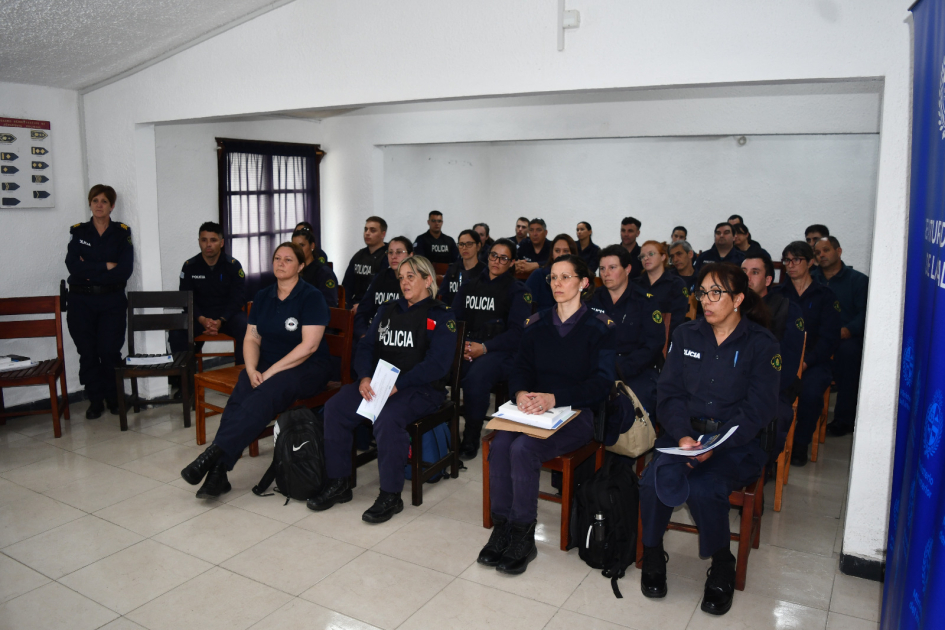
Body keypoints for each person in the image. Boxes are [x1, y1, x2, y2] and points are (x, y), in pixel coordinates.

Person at [639, 262, 780, 616]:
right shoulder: (687, 335)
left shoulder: (761, 344)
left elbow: (758, 410)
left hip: (736, 440)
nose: (706, 300)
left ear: (737, 300)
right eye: (702, 292)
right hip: (685, 434)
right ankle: (653, 551)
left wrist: (714, 444)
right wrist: (684, 435)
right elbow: (668, 394)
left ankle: (721, 562)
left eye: (716, 293)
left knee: (705, 486)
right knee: (653, 479)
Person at [477, 254, 615, 575]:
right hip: (533, 410)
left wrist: (555, 397)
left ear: (583, 283)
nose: (557, 284)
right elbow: (520, 369)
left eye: (566, 277)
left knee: (524, 449)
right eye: (553, 277)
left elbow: (601, 384)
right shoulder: (537, 323)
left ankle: (524, 535)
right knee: (500, 444)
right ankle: (503, 527)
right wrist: (521, 393)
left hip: (576, 414)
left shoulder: (600, 328)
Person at [309, 256, 458, 523]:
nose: (404, 282)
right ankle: (339, 482)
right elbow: (366, 347)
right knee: (336, 408)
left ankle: (390, 495)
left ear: (427, 280)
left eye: (411, 276)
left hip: (421, 389)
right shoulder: (387, 310)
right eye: (401, 277)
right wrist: (365, 377)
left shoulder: (441, 315)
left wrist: (399, 384)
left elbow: (437, 365)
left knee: (388, 418)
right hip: (379, 383)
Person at [180, 242, 332, 498]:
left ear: (301, 266)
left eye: (288, 260)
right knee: (243, 389)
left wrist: (269, 372)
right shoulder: (263, 296)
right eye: (277, 258)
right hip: (268, 364)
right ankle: (218, 471)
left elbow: (309, 346)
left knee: (265, 392)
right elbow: (251, 338)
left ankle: (215, 457)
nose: (281, 263)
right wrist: (251, 369)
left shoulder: (311, 296)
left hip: (308, 367)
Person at [453, 239, 532, 460]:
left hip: (501, 352)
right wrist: (463, 346)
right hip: (469, 346)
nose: (497, 261)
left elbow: (518, 333)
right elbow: (455, 320)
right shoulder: (469, 285)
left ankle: (470, 437)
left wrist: (485, 348)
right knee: (439, 366)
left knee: (475, 378)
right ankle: (442, 434)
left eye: (504, 258)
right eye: (493, 255)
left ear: (512, 262)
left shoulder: (519, 291)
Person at [65, 185, 134, 419]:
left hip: (111, 300)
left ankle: (114, 397)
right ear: (90, 203)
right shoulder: (79, 233)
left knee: (109, 350)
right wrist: (105, 265)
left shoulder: (122, 233)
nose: (99, 204)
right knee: (88, 351)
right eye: (95, 200)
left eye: (104, 201)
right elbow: (73, 266)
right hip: (80, 301)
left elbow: (124, 270)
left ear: (112, 206)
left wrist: (89, 269)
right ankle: (95, 400)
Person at [773, 242, 840, 466]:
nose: (790, 266)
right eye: (786, 261)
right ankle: (772, 445)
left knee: (811, 394)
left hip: (813, 361)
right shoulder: (778, 294)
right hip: (782, 359)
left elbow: (829, 339)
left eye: (796, 260)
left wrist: (805, 362)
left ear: (810, 262)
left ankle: (800, 444)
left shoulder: (825, 296)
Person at [169, 222, 248, 395]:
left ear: (221, 242)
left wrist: (221, 320)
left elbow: (238, 298)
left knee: (246, 328)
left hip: (227, 316)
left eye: (213, 240)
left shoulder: (233, 266)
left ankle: (241, 381)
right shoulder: (190, 266)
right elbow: (186, 298)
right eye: (204, 240)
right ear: (199, 242)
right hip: (199, 315)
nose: (208, 244)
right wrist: (201, 319)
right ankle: (185, 383)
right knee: (177, 332)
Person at [589, 245, 665, 413]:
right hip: (597, 367)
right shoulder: (592, 300)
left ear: (628, 269)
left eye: (612, 267)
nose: (606, 273)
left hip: (634, 369)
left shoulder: (645, 301)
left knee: (635, 403)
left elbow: (653, 345)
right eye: (602, 268)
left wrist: (620, 369)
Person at [742, 253, 805, 455]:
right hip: (730, 382)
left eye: (755, 272)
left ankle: (758, 471)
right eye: (743, 272)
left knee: (774, 418)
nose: (747, 277)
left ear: (768, 280)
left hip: (772, 385)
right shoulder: (727, 305)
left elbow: (789, 359)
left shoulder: (786, 308)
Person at [811, 237, 869, 437]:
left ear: (839, 251)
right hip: (817, 336)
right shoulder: (812, 278)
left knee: (850, 354)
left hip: (845, 338)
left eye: (826, 250)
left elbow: (865, 313)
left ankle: (844, 420)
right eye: (818, 252)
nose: (822, 255)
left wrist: (848, 330)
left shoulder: (858, 280)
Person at [353, 237, 413, 339]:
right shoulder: (381, 277)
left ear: (410, 255)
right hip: (373, 334)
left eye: (399, 252)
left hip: (401, 338)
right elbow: (363, 311)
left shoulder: (415, 281)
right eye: (390, 252)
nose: (393, 256)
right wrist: (363, 335)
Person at [634, 240, 688, 339]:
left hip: (665, 337)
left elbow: (676, 319)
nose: (646, 258)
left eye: (651, 254)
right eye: (642, 256)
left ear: (663, 257)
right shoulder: (635, 285)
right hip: (636, 337)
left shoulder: (676, 284)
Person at [342, 217, 388, 309]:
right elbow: (347, 285)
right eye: (366, 229)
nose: (367, 233)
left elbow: (383, 288)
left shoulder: (388, 256)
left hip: (376, 306)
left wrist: (363, 306)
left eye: (373, 230)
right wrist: (346, 304)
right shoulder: (358, 256)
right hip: (354, 305)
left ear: (383, 234)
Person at [525, 234, 577, 311]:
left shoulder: (578, 279)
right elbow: (524, 306)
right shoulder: (539, 275)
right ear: (552, 254)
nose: (561, 255)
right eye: (557, 251)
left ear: (572, 254)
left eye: (565, 251)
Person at [292, 228, 339, 307]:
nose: (298, 250)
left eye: (302, 245)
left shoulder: (323, 272)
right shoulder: (293, 270)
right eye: (295, 246)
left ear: (312, 246)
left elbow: (329, 305)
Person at [439, 229, 485, 306]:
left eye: (469, 244)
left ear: (478, 246)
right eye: (461, 244)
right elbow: (443, 296)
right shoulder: (452, 269)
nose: (464, 247)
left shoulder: (485, 271)